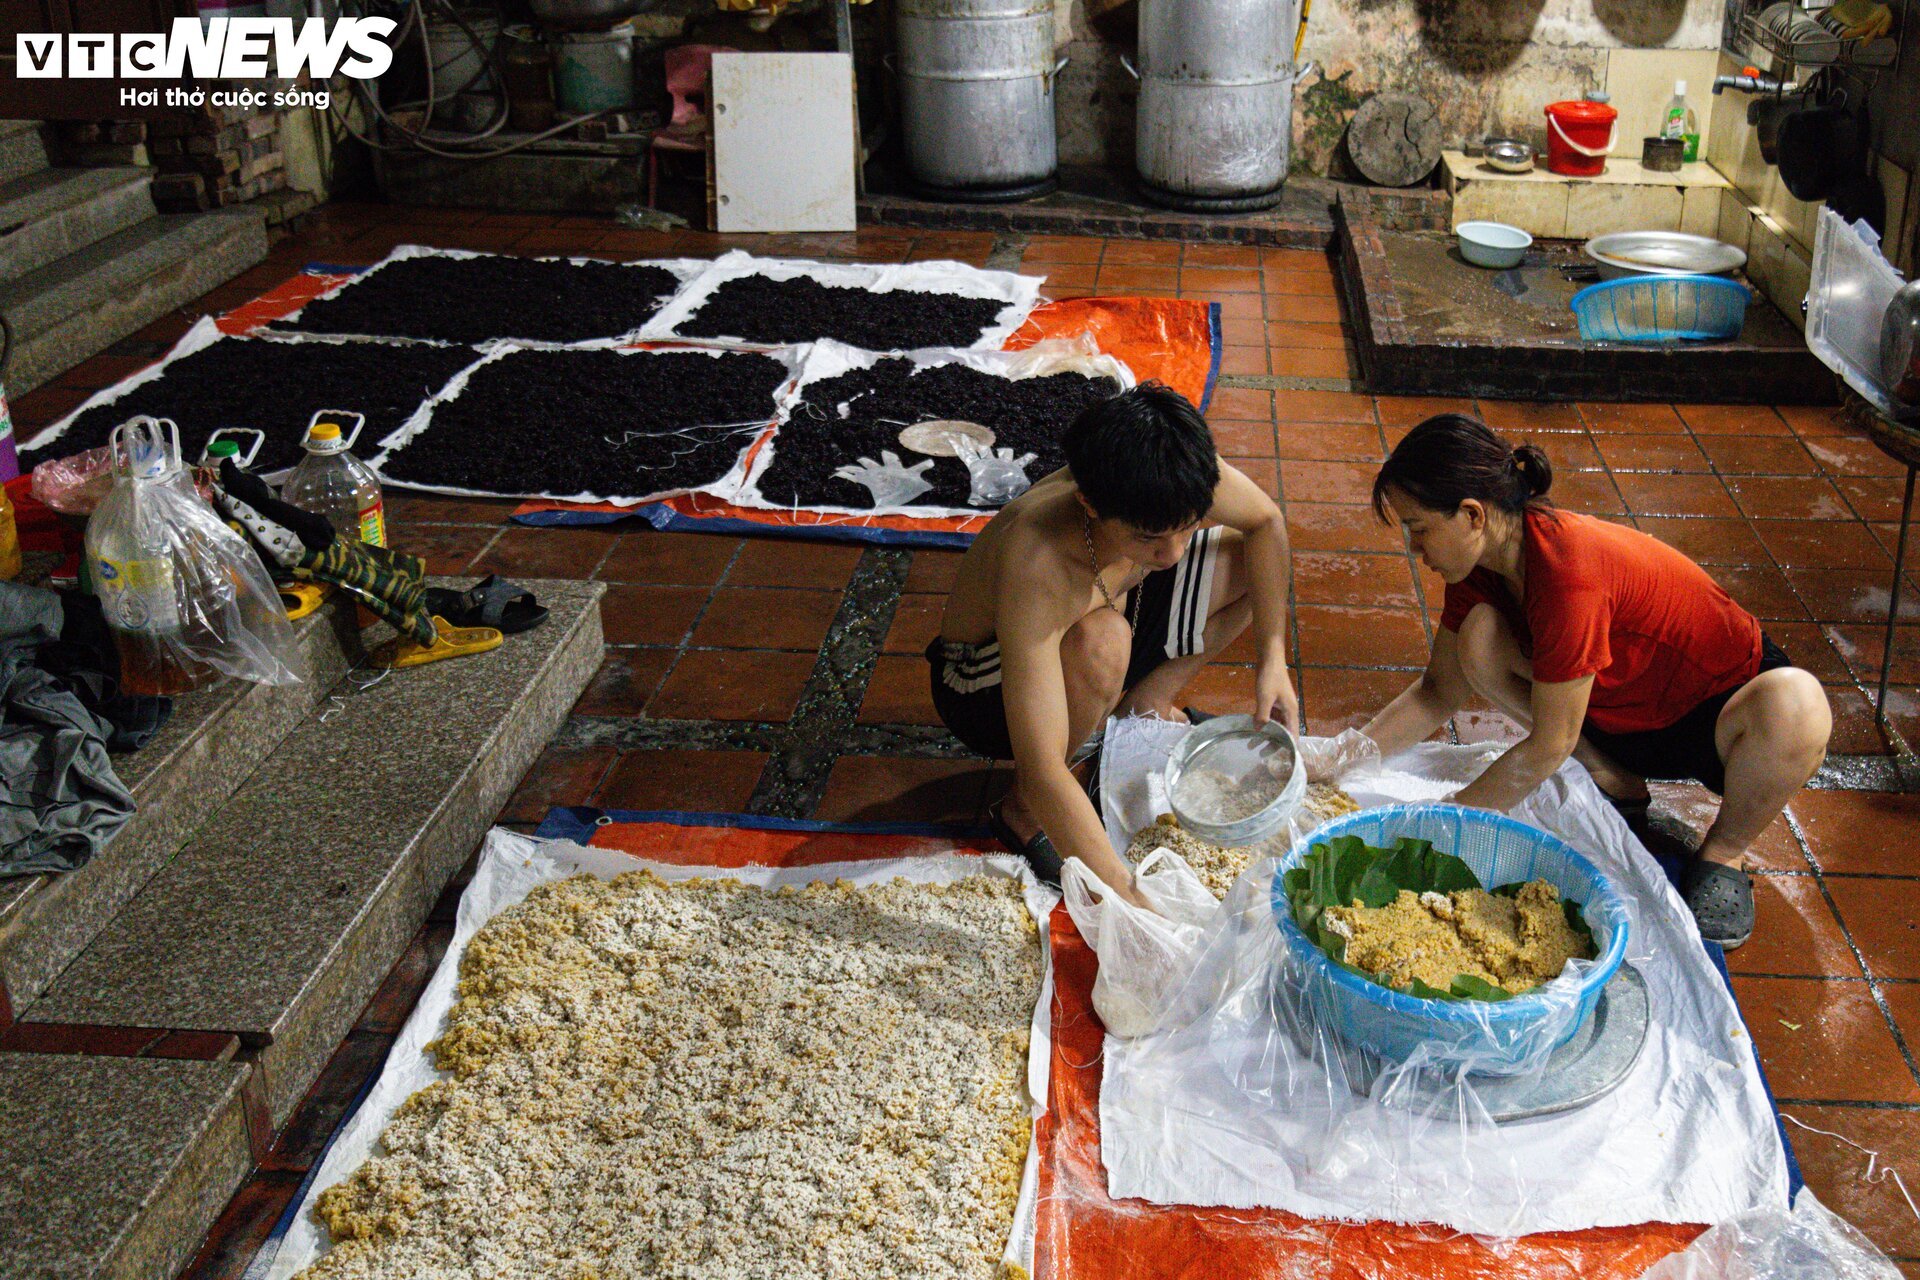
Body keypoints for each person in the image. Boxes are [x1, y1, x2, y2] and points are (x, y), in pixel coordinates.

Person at [1360, 414, 1831, 948]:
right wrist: (1338, 757)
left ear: (1471, 515)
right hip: (1610, 713)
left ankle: (1724, 853)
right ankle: (1612, 775)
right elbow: (1435, 693)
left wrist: (1447, 823)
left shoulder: (1569, 571)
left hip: (1713, 715)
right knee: (1479, 636)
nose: (1417, 552)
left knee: (1798, 706)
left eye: (1419, 530)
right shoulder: (1481, 571)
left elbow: (1547, 747)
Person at [925, 382, 1297, 905]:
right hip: (979, 686)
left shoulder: (1173, 470)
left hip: (1108, 600)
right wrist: (1127, 890)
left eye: (1187, 528)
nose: (1171, 554)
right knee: (1104, 641)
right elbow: (1043, 766)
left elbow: (1267, 522)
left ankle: (1148, 702)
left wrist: (1272, 659)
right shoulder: (1039, 560)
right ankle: (1022, 812)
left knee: (1250, 562)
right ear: (1089, 503)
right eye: (1149, 537)